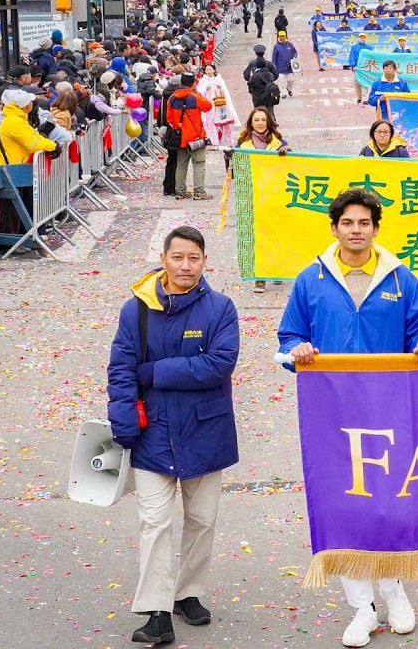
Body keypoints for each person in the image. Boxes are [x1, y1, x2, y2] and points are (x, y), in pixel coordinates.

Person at [277, 189, 418, 647]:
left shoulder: (401, 279)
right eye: (347, 223)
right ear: (334, 228)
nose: (355, 230)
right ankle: (361, 607)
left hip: (389, 406)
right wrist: (297, 351)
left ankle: (394, 589)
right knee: (343, 505)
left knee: (389, 500)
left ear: (375, 229)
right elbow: (289, 336)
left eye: (364, 223)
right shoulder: (311, 280)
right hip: (332, 411)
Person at [106, 225, 240, 645]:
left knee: (201, 521)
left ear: (204, 263)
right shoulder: (137, 310)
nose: (185, 266)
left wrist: (157, 372)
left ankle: (188, 593)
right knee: (155, 523)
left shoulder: (221, 308)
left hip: (206, 430)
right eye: (178, 257)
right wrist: (123, 420)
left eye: (194, 258)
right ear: (163, 259)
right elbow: (121, 370)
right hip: (154, 434)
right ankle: (156, 610)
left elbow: (219, 364)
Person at [166, 73, 212, 200]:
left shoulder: (172, 98)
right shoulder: (195, 97)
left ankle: (180, 191)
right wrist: (197, 92)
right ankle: (199, 191)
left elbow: (169, 118)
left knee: (181, 164)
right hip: (195, 136)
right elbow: (208, 106)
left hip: (179, 137)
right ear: (193, 84)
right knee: (199, 163)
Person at [196, 63, 238, 151]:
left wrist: (220, 87)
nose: (209, 71)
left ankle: (225, 139)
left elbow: (224, 90)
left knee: (222, 121)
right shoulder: (203, 80)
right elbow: (199, 92)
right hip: (209, 104)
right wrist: (205, 89)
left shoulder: (218, 79)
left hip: (219, 104)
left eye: (210, 69)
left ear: (214, 70)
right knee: (209, 122)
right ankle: (213, 140)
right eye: (207, 70)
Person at [271, 30, 299, 98]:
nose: (282, 37)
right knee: (282, 82)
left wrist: (294, 57)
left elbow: (295, 51)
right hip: (280, 67)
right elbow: (274, 57)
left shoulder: (290, 45)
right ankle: (283, 93)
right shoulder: (276, 46)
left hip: (290, 67)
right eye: (281, 36)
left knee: (290, 80)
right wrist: (274, 66)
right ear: (279, 37)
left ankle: (289, 89)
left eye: (283, 36)